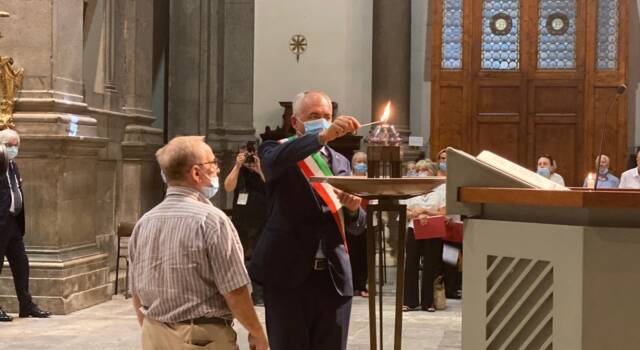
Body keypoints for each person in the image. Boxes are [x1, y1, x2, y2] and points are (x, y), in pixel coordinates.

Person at [249, 91, 365, 350]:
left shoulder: (341, 161)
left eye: (327, 117)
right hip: (287, 275)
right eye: (314, 116)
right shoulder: (274, 150)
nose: (324, 121)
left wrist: (354, 210)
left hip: (333, 278)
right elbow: (271, 163)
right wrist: (321, 136)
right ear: (295, 122)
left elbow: (357, 226)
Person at [128, 136, 268, 350]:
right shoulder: (211, 221)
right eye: (213, 163)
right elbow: (235, 291)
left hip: (153, 334)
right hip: (200, 338)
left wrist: (156, 330)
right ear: (196, 173)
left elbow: (137, 293)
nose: (218, 170)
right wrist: (257, 332)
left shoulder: (144, 222)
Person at [0, 128, 51, 322]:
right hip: (0, 222)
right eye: (10, 145)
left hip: (13, 223)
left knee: (21, 263)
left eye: (16, 145)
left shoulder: (13, 166)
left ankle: (26, 305)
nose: (14, 149)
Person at [224, 144, 267, 305]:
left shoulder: (262, 169)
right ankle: (242, 294)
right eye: (243, 154)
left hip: (262, 219)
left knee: (258, 258)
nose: (247, 157)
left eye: (250, 154)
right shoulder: (238, 171)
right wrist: (237, 165)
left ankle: (259, 294)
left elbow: (272, 186)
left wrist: (259, 169)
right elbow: (228, 187)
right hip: (242, 220)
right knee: (241, 258)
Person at [403, 160, 442, 312]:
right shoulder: (411, 189)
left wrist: (426, 212)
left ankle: (428, 302)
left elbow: (443, 213)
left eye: (426, 169)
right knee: (411, 264)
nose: (422, 172)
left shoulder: (438, 191)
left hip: (432, 229)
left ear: (432, 171)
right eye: (420, 169)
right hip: (414, 227)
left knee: (430, 266)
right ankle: (410, 301)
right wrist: (414, 213)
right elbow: (404, 210)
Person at [348, 151, 368, 297]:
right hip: (350, 220)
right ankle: (351, 285)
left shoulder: (370, 179)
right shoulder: (347, 178)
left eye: (363, 162)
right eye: (358, 162)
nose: (361, 165)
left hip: (367, 221)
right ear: (352, 164)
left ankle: (362, 286)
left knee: (364, 255)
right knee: (351, 255)